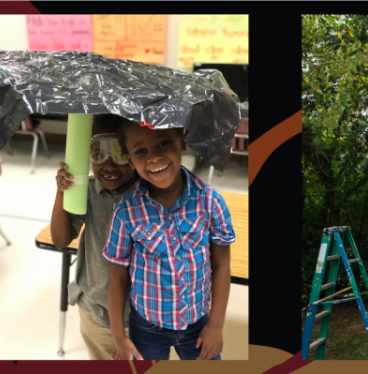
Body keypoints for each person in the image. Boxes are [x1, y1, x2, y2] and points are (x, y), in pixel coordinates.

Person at [104, 122, 236, 360]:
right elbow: (117, 276)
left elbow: (221, 265)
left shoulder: (210, 202)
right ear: (130, 160)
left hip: (197, 323)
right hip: (147, 328)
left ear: (181, 142)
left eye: (163, 143)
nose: (154, 158)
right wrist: (118, 336)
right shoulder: (125, 211)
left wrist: (216, 326)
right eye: (141, 151)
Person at [50, 115, 140, 359]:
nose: (109, 165)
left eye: (120, 152)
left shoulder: (148, 194)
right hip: (94, 311)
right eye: (98, 153)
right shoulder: (88, 190)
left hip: (142, 315)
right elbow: (60, 239)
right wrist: (62, 192)